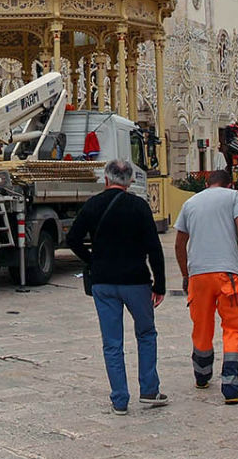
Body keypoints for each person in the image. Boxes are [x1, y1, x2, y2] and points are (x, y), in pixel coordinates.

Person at [66, 158, 167, 414]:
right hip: (136, 281)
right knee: (146, 334)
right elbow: (154, 248)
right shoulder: (139, 206)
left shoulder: (93, 205)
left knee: (112, 343)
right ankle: (149, 390)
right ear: (130, 180)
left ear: (107, 179)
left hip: (104, 282)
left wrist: (92, 261)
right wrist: (160, 284)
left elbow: (73, 239)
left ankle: (120, 400)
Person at [174, 169, 238, 405]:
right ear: (229, 184)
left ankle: (202, 374)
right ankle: (230, 382)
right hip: (227, 272)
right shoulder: (234, 197)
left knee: (202, 324)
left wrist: (186, 274)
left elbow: (179, 244)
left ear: (207, 183)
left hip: (198, 274)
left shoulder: (190, 203)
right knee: (234, 327)